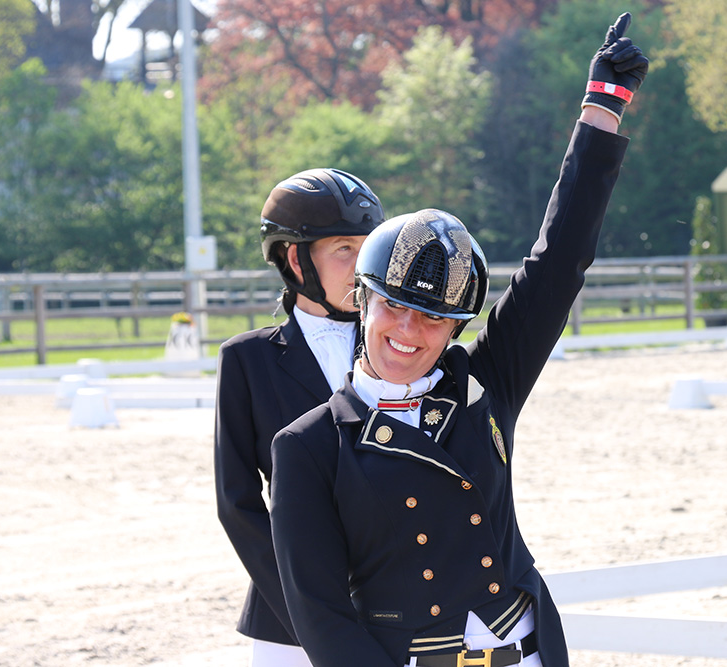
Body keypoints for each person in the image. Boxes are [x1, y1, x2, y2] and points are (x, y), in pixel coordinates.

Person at [268, 13, 648, 667]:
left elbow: (558, 264)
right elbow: (324, 620)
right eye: (394, 306)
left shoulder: (483, 383)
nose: (408, 332)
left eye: (434, 319)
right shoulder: (305, 449)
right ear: (362, 298)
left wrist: (602, 110)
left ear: (455, 329)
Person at [214, 168, 385, 666]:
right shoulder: (247, 361)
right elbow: (237, 502)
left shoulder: (399, 346)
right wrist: (306, 608)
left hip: (395, 603)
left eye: (368, 248)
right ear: (295, 257)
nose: (361, 266)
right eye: (344, 250)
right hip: (288, 620)